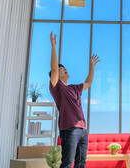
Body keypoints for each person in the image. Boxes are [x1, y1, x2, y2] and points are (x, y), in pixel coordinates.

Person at [49, 32, 100, 168]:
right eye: (62, 69)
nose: (64, 69)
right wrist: (54, 47)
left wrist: (92, 67)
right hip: (69, 130)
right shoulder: (57, 87)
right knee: (67, 164)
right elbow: (54, 70)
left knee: (81, 164)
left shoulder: (75, 88)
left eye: (65, 68)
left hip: (83, 130)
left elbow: (88, 83)